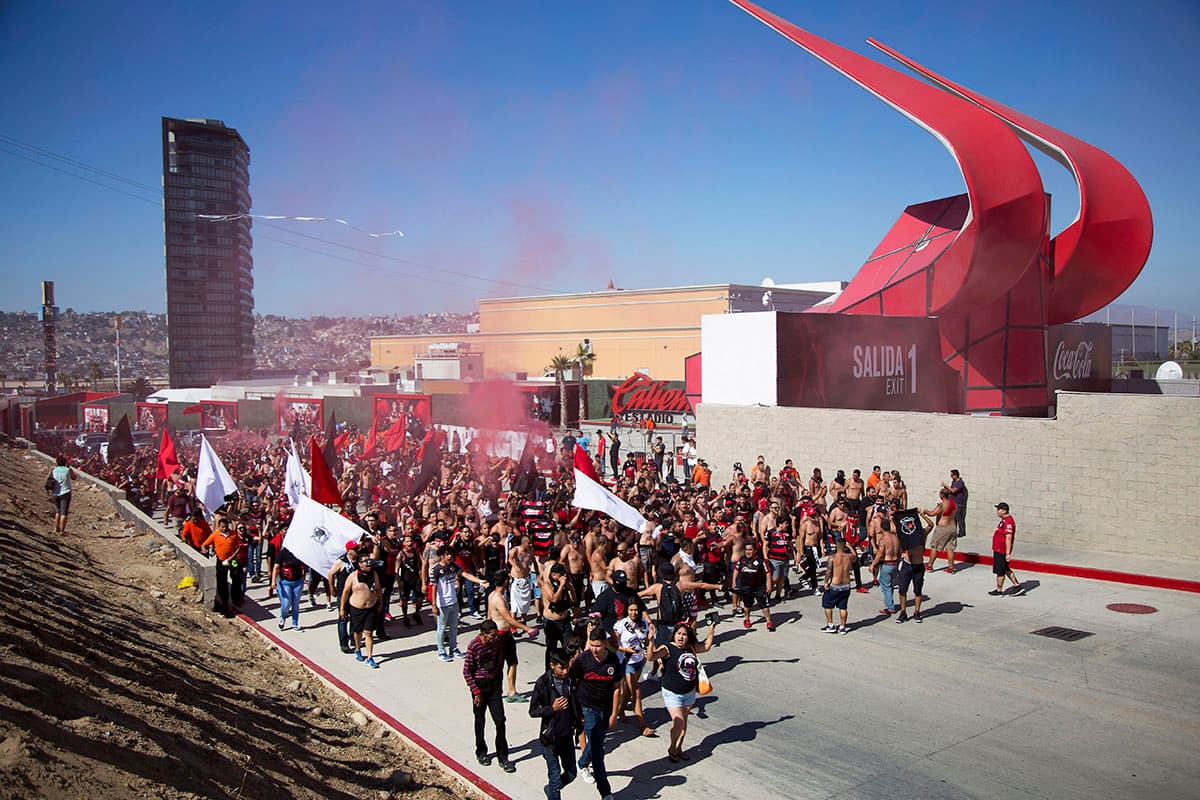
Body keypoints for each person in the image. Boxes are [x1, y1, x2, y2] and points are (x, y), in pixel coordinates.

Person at [648, 620, 717, 763]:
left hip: (689, 692)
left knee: (683, 723)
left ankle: (679, 749)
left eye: (684, 634)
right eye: (678, 634)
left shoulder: (690, 648)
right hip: (672, 693)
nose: (681, 637)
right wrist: (650, 642)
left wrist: (711, 629)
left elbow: (706, 646)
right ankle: (672, 748)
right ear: (674, 635)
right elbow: (651, 657)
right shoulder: (667, 648)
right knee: (678, 722)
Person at [569, 626, 621, 798]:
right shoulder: (583, 660)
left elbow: (616, 688)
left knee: (596, 742)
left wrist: (614, 713)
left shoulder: (613, 660)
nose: (594, 649)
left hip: (605, 709)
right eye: (592, 645)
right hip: (588, 708)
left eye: (598, 646)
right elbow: (573, 683)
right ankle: (605, 792)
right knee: (598, 751)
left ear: (605, 644)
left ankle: (582, 762)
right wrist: (577, 712)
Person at [530, 648, 582, 800]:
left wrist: (579, 720)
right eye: (562, 668)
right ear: (552, 665)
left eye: (567, 667)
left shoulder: (570, 680)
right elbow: (533, 711)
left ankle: (551, 790)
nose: (565, 671)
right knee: (554, 776)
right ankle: (553, 793)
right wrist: (552, 709)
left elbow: (575, 701)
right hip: (550, 738)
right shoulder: (543, 683)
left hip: (566, 735)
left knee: (571, 773)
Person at [463, 620, 515, 772]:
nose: (494, 638)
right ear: (483, 634)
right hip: (479, 686)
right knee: (480, 720)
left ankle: (503, 756)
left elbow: (500, 662)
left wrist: (497, 681)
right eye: (491, 636)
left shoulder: (497, 643)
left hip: (494, 685)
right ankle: (481, 751)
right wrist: (476, 692)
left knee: (500, 720)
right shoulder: (474, 646)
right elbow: (467, 671)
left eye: (495, 635)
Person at [486, 570, 537, 702]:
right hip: (503, 635)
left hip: (497, 635)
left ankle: (498, 691)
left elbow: (489, 616)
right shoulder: (499, 599)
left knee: (498, 664)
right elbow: (509, 619)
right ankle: (511, 692)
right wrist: (527, 628)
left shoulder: (492, 595)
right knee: (511, 663)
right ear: (505, 581)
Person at [431, 546, 487, 662]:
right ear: (442, 555)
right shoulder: (435, 570)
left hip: (454, 602)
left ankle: (453, 649)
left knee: (453, 628)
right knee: (441, 629)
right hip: (442, 604)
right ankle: (441, 651)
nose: (449, 556)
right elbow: (434, 588)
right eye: (447, 554)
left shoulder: (453, 566)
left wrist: (480, 581)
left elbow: (466, 575)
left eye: (451, 554)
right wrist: (434, 605)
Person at [611, 598, 655, 737]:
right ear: (627, 610)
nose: (634, 612)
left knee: (629, 692)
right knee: (636, 692)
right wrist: (624, 649)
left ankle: (621, 710)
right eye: (631, 610)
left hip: (639, 661)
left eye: (636, 610)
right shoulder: (621, 624)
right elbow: (612, 643)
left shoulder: (643, 623)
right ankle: (642, 725)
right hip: (626, 662)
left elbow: (646, 641)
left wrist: (650, 643)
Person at [340, 551, 382, 668]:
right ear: (359, 564)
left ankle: (370, 657)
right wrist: (342, 609)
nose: (368, 563)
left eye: (369, 561)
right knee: (357, 632)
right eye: (365, 561)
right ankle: (358, 649)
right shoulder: (353, 576)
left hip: (371, 608)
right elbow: (345, 592)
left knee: (368, 633)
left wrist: (380, 603)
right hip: (356, 609)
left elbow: (378, 589)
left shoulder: (374, 575)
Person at [202, 517, 244, 617]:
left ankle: (236, 597)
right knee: (221, 580)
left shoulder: (233, 534)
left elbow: (239, 546)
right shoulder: (216, 534)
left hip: (233, 560)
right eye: (222, 527)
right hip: (221, 560)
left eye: (225, 527)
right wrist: (204, 550)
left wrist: (232, 557)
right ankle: (224, 600)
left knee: (237, 576)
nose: (224, 529)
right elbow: (205, 544)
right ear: (219, 527)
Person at [733, 540, 775, 631]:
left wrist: (769, 585)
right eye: (746, 550)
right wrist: (734, 582)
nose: (748, 552)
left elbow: (768, 573)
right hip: (746, 587)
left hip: (759, 587)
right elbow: (736, 570)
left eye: (750, 550)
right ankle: (747, 619)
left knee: (764, 605)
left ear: (755, 550)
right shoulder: (742, 560)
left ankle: (769, 622)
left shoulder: (761, 561)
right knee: (747, 605)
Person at [895, 516, 927, 624]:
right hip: (907, 564)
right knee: (902, 589)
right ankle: (903, 612)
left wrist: (922, 514)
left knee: (917, 590)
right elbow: (897, 529)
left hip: (918, 565)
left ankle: (917, 612)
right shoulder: (907, 534)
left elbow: (931, 525)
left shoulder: (922, 535)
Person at [989, 502, 1024, 596]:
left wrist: (1008, 553)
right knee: (1006, 569)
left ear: (1004, 511)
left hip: (1002, 550)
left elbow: (1008, 537)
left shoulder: (1008, 522)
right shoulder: (1004, 520)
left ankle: (999, 589)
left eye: (999, 509)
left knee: (1000, 571)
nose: (997, 511)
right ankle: (1017, 585)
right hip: (998, 549)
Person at [820, 539, 855, 635]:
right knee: (843, 607)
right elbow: (855, 557)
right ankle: (843, 627)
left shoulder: (832, 558)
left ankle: (830, 625)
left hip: (835, 585)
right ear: (844, 546)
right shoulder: (849, 557)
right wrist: (850, 547)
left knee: (827, 605)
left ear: (836, 546)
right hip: (846, 586)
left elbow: (829, 571)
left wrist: (826, 582)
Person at [870, 517, 900, 615]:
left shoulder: (883, 540)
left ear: (882, 528)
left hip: (887, 564)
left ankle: (890, 607)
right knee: (890, 585)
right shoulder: (895, 537)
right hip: (895, 563)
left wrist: (873, 564)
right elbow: (899, 551)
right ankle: (890, 603)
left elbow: (880, 553)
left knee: (885, 586)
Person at [924, 488, 959, 573]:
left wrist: (925, 511)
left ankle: (929, 566)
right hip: (953, 527)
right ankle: (951, 568)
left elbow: (932, 513)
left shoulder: (942, 505)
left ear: (942, 495)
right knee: (950, 548)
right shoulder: (954, 503)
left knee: (934, 546)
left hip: (943, 528)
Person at [272, 546, 307, 631]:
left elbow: (305, 565)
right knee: (286, 603)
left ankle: (295, 623)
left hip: (298, 582)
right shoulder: (283, 553)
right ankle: (283, 618)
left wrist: (304, 577)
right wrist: (273, 581)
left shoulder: (300, 553)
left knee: (295, 604)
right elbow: (276, 567)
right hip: (284, 582)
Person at [48, 455, 75, 534]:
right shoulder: (68, 470)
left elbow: (48, 479)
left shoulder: (54, 470)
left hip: (56, 492)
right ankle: (62, 531)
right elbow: (74, 478)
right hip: (66, 492)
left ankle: (55, 529)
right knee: (64, 512)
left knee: (58, 511)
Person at [944, 469, 968, 539]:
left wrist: (946, 485)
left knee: (959, 518)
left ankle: (961, 532)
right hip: (952, 502)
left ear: (955, 475)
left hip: (958, 503)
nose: (951, 477)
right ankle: (954, 531)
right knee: (953, 518)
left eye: (952, 475)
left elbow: (953, 490)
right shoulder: (953, 482)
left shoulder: (960, 482)